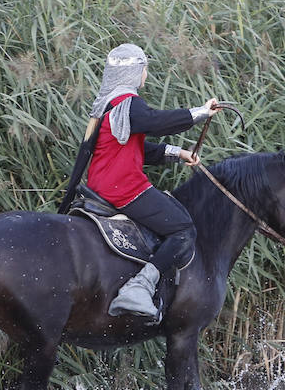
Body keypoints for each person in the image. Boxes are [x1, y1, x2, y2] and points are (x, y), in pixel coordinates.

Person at [85, 43, 220, 319]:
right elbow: (155, 122)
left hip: (101, 184)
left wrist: (178, 154)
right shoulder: (129, 103)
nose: (146, 73)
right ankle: (139, 287)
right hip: (122, 188)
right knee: (183, 229)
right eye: (144, 68)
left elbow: (136, 148)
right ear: (136, 71)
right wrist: (200, 113)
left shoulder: (109, 105)